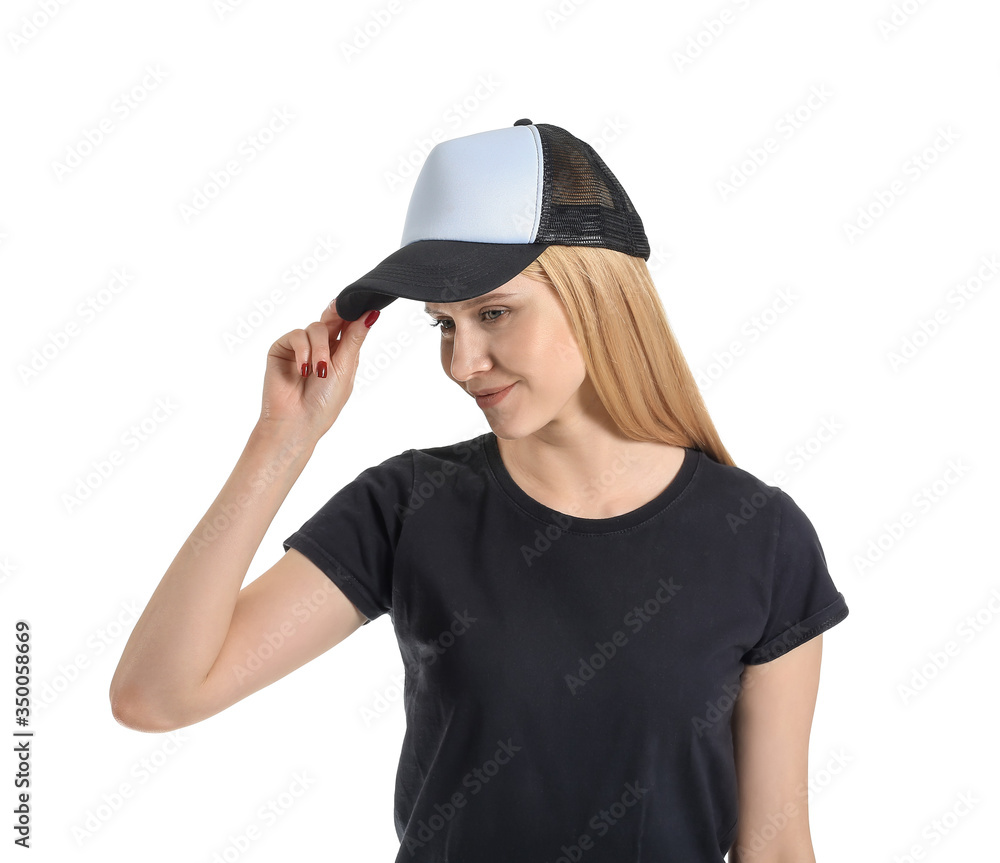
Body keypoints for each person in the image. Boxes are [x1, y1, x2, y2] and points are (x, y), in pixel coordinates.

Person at [110, 119, 849, 862]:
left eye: (493, 313)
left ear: (596, 293)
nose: (463, 363)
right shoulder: (408, 507)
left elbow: (777, 846)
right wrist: (282, 440)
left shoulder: (760, 537)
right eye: (443, 325)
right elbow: (157, 695)